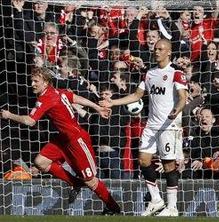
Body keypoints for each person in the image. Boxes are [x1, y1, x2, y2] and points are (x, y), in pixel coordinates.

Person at [0, 67, 120, 215]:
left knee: (90, 180)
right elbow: (75, 97)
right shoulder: (57, 92)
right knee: (41, 162)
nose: (32, 83)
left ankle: (114, 208)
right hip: (63, 138)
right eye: (31, 80)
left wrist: (9, 115)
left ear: (45, 82)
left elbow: (30, 121)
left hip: (77, 139)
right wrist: (96, 107)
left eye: (36, 81)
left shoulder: (47, 98)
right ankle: (75, 183)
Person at [100, 39, 188, 216]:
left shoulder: (176, 73)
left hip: (169, 126)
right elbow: (136, 95)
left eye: (161, 49)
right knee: (143, 160)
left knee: (168, 164)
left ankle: (172, 208)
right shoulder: (149, 73)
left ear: (169, 52)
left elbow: (183, 97)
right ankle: (156, 200)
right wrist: (112, 102)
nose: (156, 52)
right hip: (152, 124)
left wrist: (176, 110)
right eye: (155, 49)